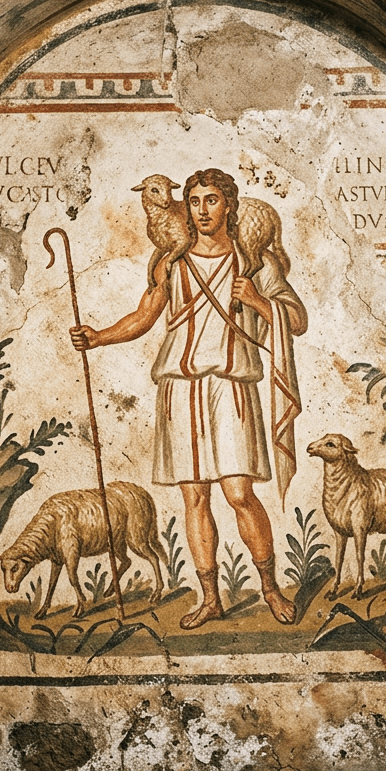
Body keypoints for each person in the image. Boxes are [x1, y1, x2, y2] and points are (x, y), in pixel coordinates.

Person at [70, 168, 307, 629]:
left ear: (229, 206)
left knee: (239, 494)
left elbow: (295, 320)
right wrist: (98, 337)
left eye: (212, 200)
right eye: (195, 200)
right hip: (180, 388)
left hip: (232, 386)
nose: (201, 210)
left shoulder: (254, 261)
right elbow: (145, 314)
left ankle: (271, 589)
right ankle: (210, 597)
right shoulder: (171, 260)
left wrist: (257, 301)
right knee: (194, 498)